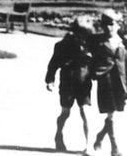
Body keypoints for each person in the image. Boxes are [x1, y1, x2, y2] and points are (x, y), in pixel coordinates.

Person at [45, 16, 95, 153]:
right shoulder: (62, 45)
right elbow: (53, 64)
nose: (83, 37)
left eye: (86, 34)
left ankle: (88, 145)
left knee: (85, 113)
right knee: (65, 113)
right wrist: (50, 80)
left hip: (84, 84)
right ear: (75, 32)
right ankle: (58, 135)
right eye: (81, 33)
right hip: (67, 83)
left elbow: (96, 63)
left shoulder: (90, 46)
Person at [91, 9, 127, 156]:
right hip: (106, 83)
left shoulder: (124, 43)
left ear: (118, 25)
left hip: (119, 84)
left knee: (112, 115)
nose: (109, 27)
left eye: (112, 24)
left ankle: (99, 138)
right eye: (106, 24)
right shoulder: (97, 41)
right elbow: (88, 58)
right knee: (111, 114)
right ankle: (115, 148)